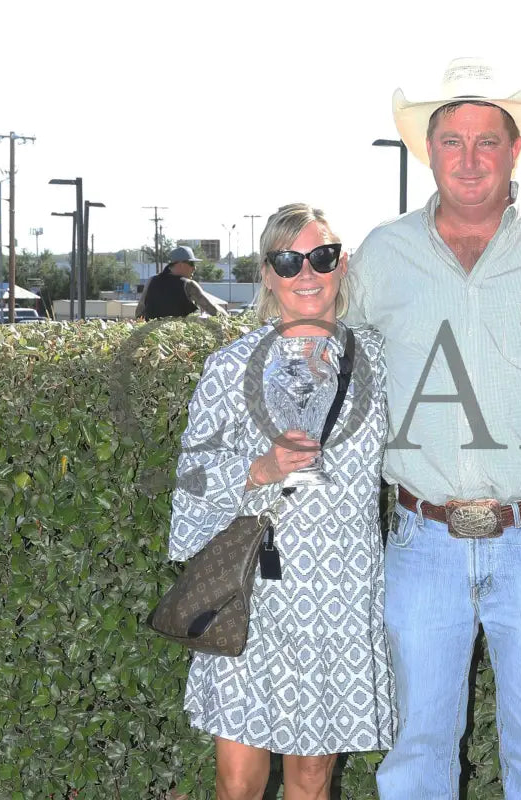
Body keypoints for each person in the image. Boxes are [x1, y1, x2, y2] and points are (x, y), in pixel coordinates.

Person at [347, 58, 521, 799]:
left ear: (515, 150)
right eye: (452, 141)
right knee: (415, 756)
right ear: (429, 151)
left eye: (487, 141)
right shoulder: (383, 253)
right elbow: (329, 366)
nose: (470, 159)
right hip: (422, 543)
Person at [169, 204, 394, 800]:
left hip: (341, 592)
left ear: (341, 265)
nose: (307, 273)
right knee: (239, 780)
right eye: (289, 261)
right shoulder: (230, 367)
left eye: (321, 256)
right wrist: (259, 469)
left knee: (313, 775)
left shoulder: (379, 360)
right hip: (256, 590)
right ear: (268, 274)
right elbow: (191, 482)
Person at [137, 245, 227, 320]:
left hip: (153, 334)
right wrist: (229, 319)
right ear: (180, 264)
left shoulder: (151, 281)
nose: (194, 268)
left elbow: (139, 311)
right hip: (179, 334)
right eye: (192, 264)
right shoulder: (188, 285)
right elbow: (212, 309)